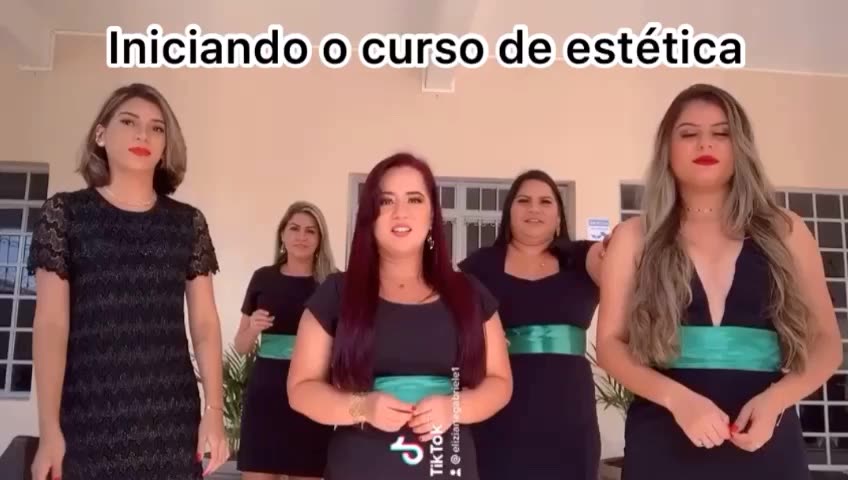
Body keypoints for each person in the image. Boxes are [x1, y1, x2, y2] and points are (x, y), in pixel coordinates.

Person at [596, 83, 842, 479]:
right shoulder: (633, 237)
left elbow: (827, 343)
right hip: (662, 440)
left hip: (766, 438)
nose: (704, 143)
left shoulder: (788, 231)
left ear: (740, 146)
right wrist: (678, 400)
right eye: (688, 133)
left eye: (721, 133)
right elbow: (610, 345)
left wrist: (777, 401)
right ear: (667, 149)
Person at [27, 83, 229, 480]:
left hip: (170, 418)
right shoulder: (65, 214)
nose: (143, 135)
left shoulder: (187, 223)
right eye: (129, 122)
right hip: (88, 415)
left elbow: (205, 324)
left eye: (157, 128)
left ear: (166, 145)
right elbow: (50, 325)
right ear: (101, 134)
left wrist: (214, 411)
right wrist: (49, 429)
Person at [286, 152, 513, 480]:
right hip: (359, 466)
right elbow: (301, 389)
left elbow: (500, 382)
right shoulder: (336, 293)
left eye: (414, 199)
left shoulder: (469, 293)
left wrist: (454, 408)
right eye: (386, 200)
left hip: (447, 465)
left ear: (432, 215)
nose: (400, 212)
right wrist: (362, 407)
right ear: (369, 215)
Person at [457, 169, 605, 480]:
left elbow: (617, 260)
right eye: (523, 201)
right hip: (497, 408)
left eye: (545, 202)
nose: (534, 209)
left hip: (568, 408)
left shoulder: (581, 259)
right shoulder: (479, 266)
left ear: (559, 216)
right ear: (509, 212)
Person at [234, 201, 337, 480]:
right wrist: (252, 328)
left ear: (320, 239)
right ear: (282, 234)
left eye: (310, 231)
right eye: (294, 228)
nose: (301, 236)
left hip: (313, 393)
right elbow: (241, 346)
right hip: (266, 395)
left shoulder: (333, 283)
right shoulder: (262, 278)